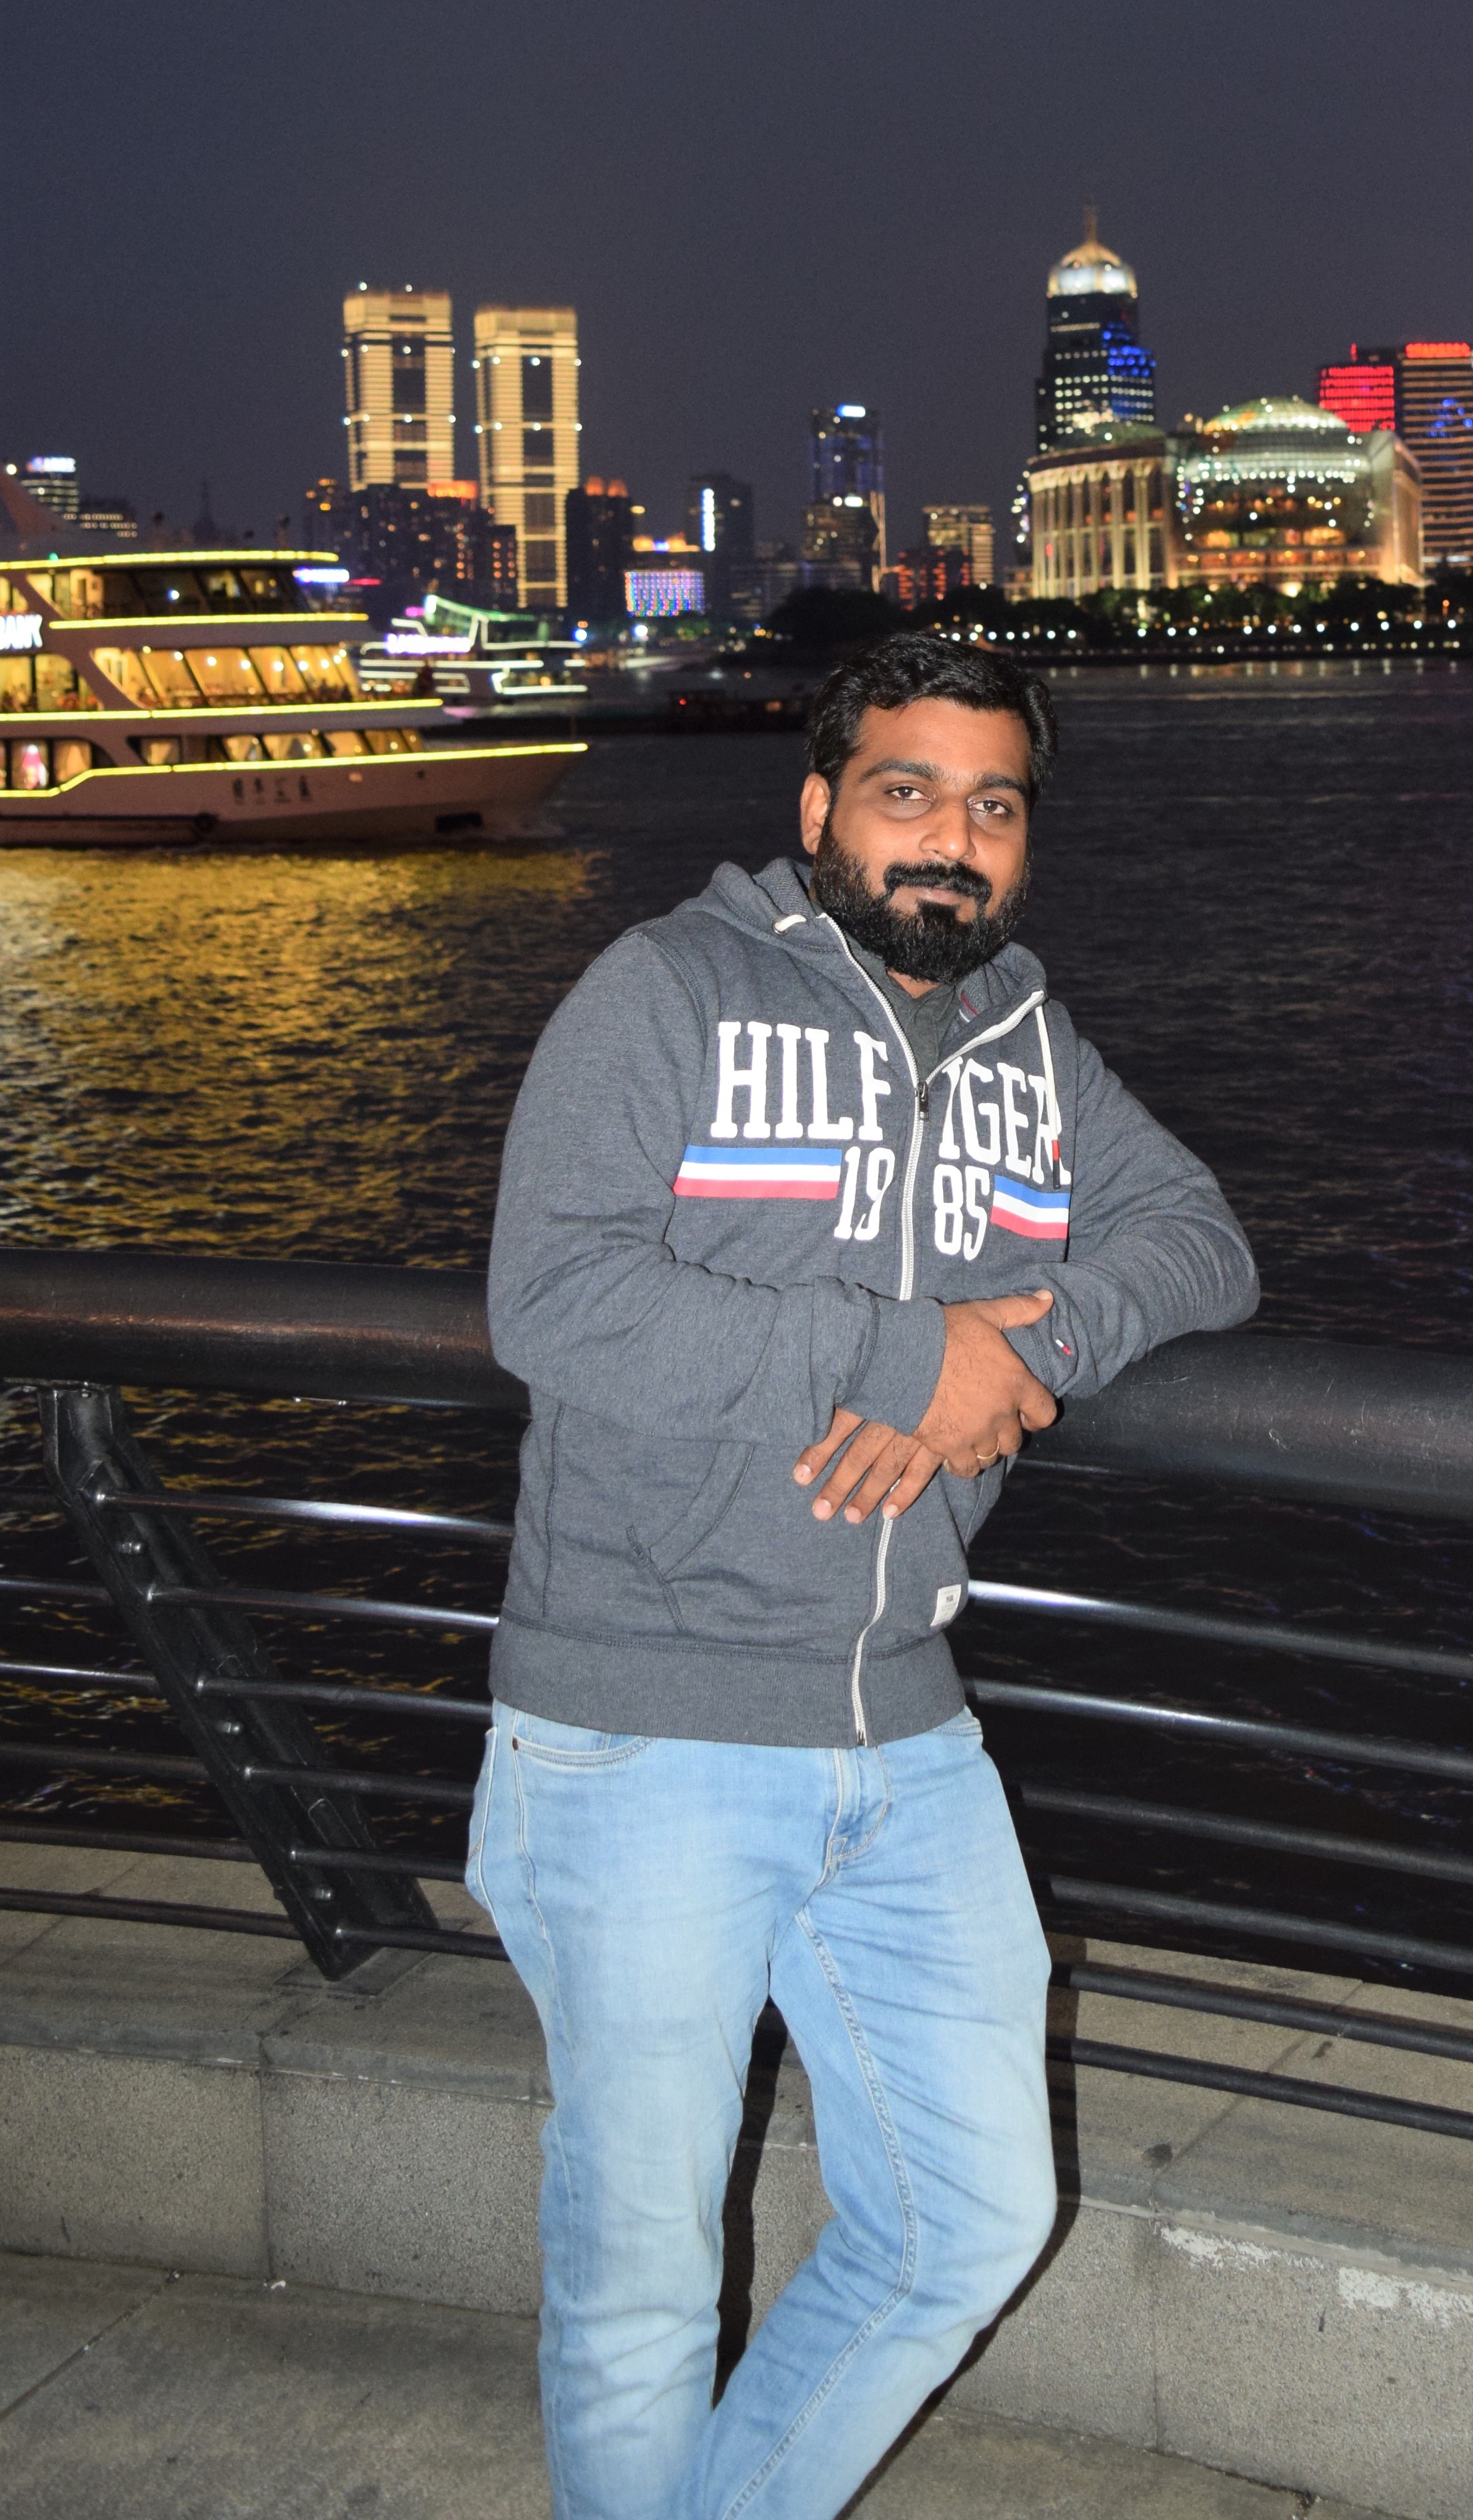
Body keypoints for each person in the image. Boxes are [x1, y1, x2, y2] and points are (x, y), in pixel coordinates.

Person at [467, 628, 1258, 2520]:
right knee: (642, 2286)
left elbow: (1201, 1239)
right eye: (910, 794)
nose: (953, 843)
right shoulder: (669, 989)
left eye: (996, 808)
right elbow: (550, 1295)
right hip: (642, 1727)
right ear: (821, 805)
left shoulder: (1027, 1042)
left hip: (908, 1734)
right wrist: (906, 1355)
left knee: (968, 2217)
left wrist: (1024, 1353)